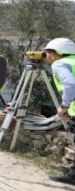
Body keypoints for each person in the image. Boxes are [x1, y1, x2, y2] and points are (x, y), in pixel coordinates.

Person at [43, 38, 75, 185]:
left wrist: (65, 106)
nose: (46, 56)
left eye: (47, 52)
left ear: (54, 53)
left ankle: (73, 176)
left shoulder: (59, 63)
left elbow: (70, 83)